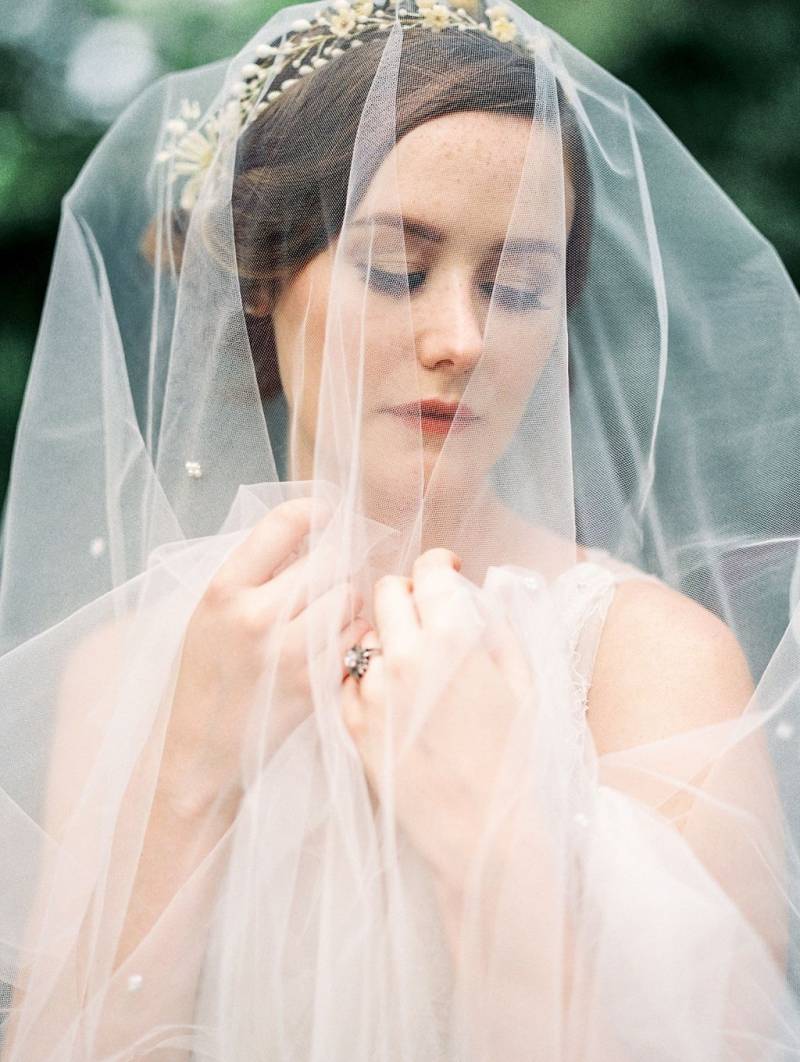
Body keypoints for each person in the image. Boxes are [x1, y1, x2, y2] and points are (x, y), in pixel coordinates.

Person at [1, 0, 800, 1058]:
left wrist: (492, 841)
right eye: (397, 269)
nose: (460, 339)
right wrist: (191, 767)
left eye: (515, 286)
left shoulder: (649, 667)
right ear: (262, 275)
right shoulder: (131, 667)